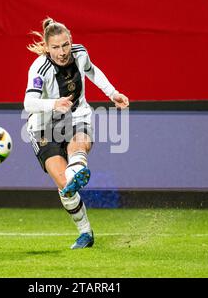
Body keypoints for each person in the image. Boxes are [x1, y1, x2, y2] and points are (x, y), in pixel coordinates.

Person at [24, 17, 129, 249]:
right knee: (65, 186)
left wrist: (113, 93)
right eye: (55, 47)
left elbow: (92, 71)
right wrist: (53, 104)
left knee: (79, 144)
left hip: (76, 116)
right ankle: (86, 233)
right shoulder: (39, 68)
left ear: (71, 42)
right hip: (43, 127)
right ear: (47, 47)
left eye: (65, 45)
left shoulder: (80, 53)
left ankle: (78, 167)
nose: (61, 52)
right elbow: (28, 102)